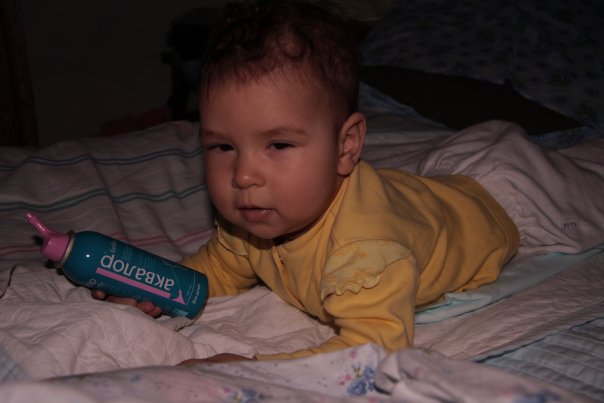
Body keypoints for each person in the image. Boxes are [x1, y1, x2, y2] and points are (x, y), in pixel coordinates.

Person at [93, 0, 604, 362]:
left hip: (514, 198)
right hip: (440, 184)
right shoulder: (252, 219)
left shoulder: (365, 253)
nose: (243, 175)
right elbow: (218, 271)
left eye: (278, 145)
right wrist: (154, 287)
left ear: (346, 147)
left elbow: (370, 352)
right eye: (222, 147)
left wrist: (253, 369)